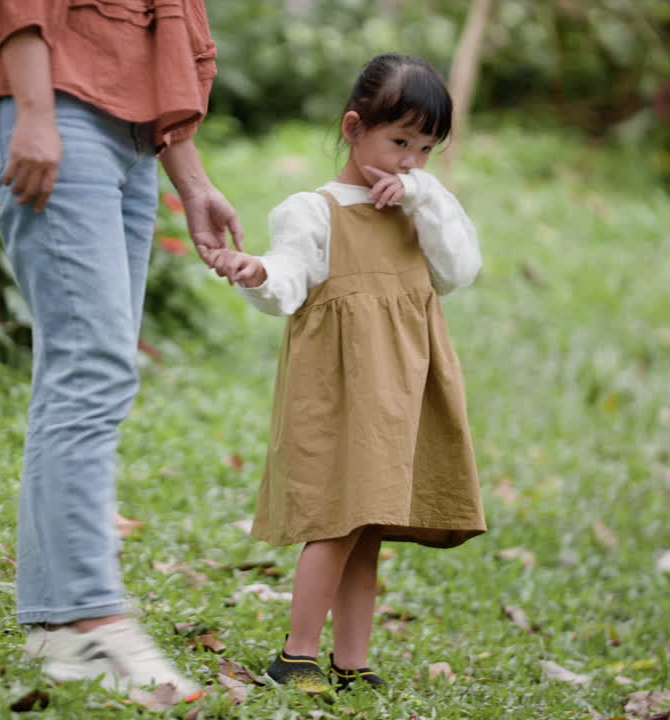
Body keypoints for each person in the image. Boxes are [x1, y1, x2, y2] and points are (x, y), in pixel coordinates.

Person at [0, 0, 242, 699]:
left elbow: (156, 39)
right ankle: (95, 617)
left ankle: (57, 626)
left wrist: (192, 182)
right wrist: (35, 112)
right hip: (58, 116)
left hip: (133, 139)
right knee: (94, 368)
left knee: (77, 368)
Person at [204, 53, 486, 693]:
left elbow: (459, 271)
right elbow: (289, 277)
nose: (410, 161)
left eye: (425, 148)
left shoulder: (423, 206)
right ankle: (296, 655)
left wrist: (422, 198)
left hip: (403, 390)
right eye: (399, 142)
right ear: (354, 127)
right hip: (340, 391)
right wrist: (258, 274)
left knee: (369, 530)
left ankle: (351, 662)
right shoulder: (312, 210)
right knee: (335, 522)